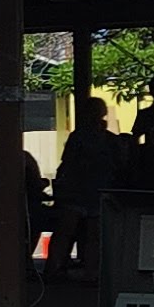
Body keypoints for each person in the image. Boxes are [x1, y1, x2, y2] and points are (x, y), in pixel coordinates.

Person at [50, 89, 122, 283]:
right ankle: (91, 272)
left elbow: (66, 163)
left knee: (66, 232)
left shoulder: (79, 136)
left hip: (78, 189)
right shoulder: (108, 138)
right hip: (96, 188)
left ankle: (55, 269)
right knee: (92, 235)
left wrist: (60, 186)